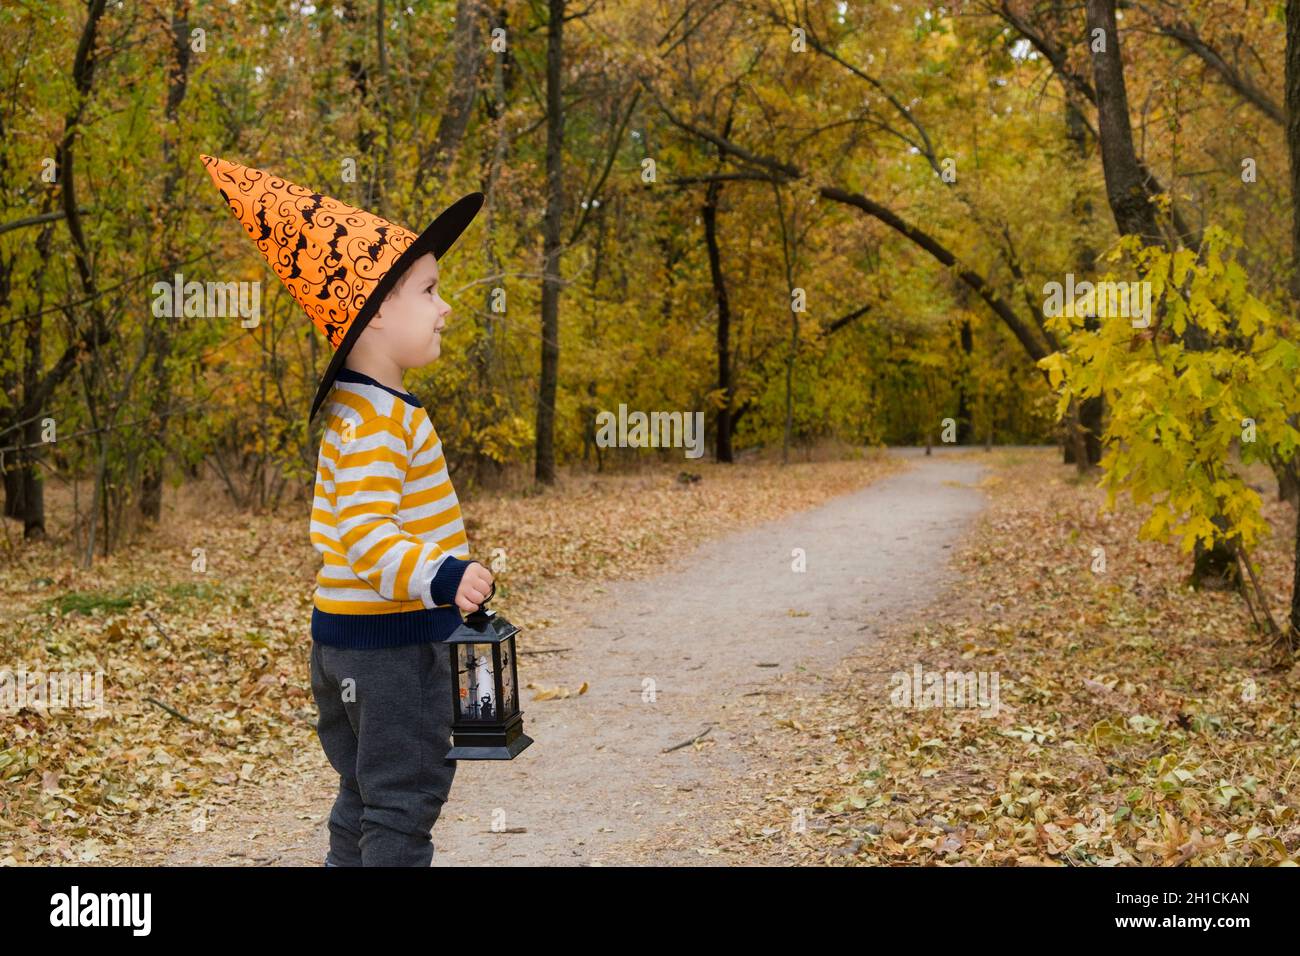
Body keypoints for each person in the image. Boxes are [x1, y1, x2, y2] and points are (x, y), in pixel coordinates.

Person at [199, 155, 495, 866]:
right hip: (392, 650)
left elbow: (348, 529)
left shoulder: (356, 412)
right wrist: (444, 576)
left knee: (365, 794)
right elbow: (364, 534)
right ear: (378, 311)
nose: (445, 305)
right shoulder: (378, 422)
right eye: (429, 290)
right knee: (403, 800)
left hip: (347, 646)